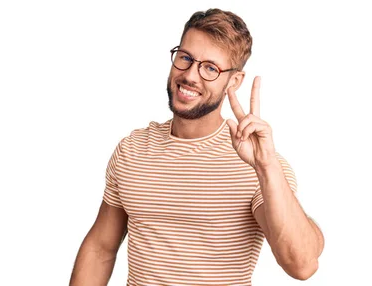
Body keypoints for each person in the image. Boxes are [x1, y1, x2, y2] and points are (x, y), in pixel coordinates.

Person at [69, 8, 324, 286]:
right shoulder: (132, 150)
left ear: (234, 81)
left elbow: (301, 264)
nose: (191, 75)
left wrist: (266, 166)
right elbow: (100, 248)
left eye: (210, 68)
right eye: (185, 58)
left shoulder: (258, 165)